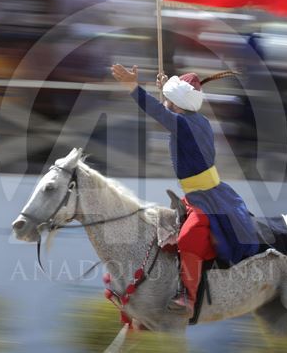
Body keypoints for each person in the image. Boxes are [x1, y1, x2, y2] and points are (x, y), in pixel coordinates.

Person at [111, 63, 258, 313]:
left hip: (206, 198)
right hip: (200, 193)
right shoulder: (194, 120)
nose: (167, 101)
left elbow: (160, 113)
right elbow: (167, 111)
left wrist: (133, 87)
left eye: (169, 98)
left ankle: (188, 297)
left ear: (176, 102)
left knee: (188, 238)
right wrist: (165, 91)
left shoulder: (185, 124)